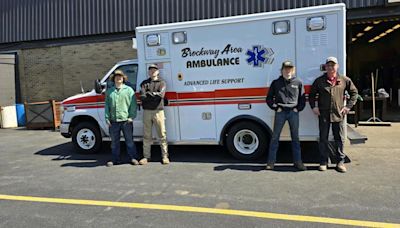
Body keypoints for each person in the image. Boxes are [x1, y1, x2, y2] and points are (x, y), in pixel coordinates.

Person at [309, 57, 358, 173]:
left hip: (338, 114)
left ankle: (340, 162)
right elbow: (311, 95)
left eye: (333, 65)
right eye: (328, 65)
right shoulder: (319, 81)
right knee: (323, 138)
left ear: (337, 66)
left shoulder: (345, 80)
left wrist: (348, 107)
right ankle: (323, 162)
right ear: (325, 67)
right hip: (324, 114)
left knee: (339, 139)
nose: (331, 67)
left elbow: (354, 93)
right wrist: (314, 107)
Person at [265, 60, 307, 171]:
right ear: (282, 70)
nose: (288, 70)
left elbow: (302, 99)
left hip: (293, 113)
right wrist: (276, 107)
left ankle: (298, 162)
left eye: (290, 68)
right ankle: (271, 163)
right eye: (285, 68)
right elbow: (269, 98)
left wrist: (298, 109)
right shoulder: (276, 83)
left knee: (295, 138)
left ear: (293, 70)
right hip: (280, 113)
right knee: (275, 138)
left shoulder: (298, 82)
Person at [105, 70, 139, 167]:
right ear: (113, 79)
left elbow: (133, 105)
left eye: (120, 76)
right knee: (114, 143)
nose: (118, 78)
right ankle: (115, 159)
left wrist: (131, 117)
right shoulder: (109, 91)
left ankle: (133, 158)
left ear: (123, 78)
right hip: (113, 121)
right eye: (116, 76)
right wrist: (107, 118)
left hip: (126, 121)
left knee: (129, 141)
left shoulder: (129, 90)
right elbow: (107, 106)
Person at [139, 64, 169, 165]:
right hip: (147, 111)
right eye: (151, 70)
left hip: (158, 111)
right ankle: (146, 157)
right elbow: (142, 96)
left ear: (158, 72)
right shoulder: (144, 83)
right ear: (148, 72)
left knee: (162, 134)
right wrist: (153, 94)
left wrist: (149, 94)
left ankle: (165, 156)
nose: (152, 72)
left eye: (154, 70)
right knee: (147, 135)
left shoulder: (162, 83)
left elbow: (161, 95)